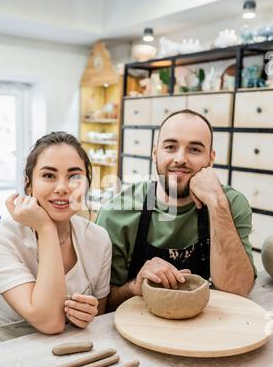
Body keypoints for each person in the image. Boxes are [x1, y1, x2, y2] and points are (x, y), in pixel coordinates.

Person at [96, 109, 255, 311]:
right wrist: (134, 287)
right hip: (138, 330)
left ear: (211, 158)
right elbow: (103, 306)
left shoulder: (230, 204)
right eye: (170, 147)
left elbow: (238, 289)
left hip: (208, 330)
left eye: (195, 150)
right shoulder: (116, 212)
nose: (180, 158)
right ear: (155, 152)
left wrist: (216, 203)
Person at [0, 132, 111, 343]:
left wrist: (86, 316)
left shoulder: (98, 238)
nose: (62, 188)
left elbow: (100, 316)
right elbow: (50, 322)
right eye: (49, 175)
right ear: (28, 184)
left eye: (75, 176)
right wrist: (46, 228)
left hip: (77, 354)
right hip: (10, 362)